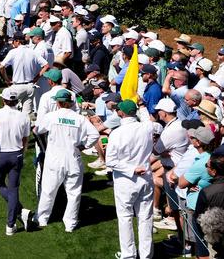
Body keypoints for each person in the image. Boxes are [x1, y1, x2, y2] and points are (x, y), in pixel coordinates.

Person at [34, 88, 103, 232]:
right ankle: (70, 224)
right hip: (73, 158)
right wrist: (84, 146)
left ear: (58, 103)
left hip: (54, 159)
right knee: (74, 193)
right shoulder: (80, 119)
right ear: (71, 103)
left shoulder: (51, 117)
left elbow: (38, 129)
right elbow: (94, 135)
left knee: (48, 190)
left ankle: (42, 219)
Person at [106, 99, 156, 259]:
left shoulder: (117, 133)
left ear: (121, 112)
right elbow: (147, 119)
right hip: (146, 179)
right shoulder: (147, 128)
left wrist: (131, 169)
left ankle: (128, 255)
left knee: (126, 218)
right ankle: (146, 255)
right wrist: (142, 105)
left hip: (126, 182)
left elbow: (111, 161)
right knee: (146, 218)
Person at [0, 87, 32, 235]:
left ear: (3, 100)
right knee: (13, 190)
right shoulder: (24, 117)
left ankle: (20, 211)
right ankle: (10, 225)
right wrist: (23, 150)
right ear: (16, 101)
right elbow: (25, 138)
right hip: (16, 156)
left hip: (0, 155)